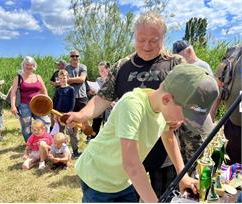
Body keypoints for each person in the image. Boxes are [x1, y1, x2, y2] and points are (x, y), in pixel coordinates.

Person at [67, 11, 185, 196]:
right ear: (134, 36)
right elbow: (102, 98)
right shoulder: (122, 65)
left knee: (164, 197)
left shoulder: (175, 64)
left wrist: (179, 115)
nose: (146, 46)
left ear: (163, 38)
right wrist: (81, 115)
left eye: (154, 40)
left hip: (163, 151)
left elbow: (186, 98)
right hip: (129, 150)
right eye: (141, 39)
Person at [75, 64, 219, 202]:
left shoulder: (163, 108)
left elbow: (168, 137)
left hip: (123, 181)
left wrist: (182, 175)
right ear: (166, 99)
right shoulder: (132, 105)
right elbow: (132, 165)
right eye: (185, 115)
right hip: (98, 179)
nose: (184, 122)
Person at [211, 44, 242, 164]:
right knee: (232, 169)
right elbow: (219, 85)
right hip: (233, 125)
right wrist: (212, 113)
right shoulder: (233, 53)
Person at [10, 56, 51, 142]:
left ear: (34, 66)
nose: (29, 67)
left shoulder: (38, 77)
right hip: (24, 105)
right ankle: (30, 145)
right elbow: (13, 92)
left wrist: (47, 103)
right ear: (23, 65)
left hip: (38, 105)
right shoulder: (18, 78)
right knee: (26, 127)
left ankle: (44, 141)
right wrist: (13, 106)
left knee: (45, 122)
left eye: (31, 65)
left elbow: (44, 90)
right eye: (27, 64)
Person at [65, 50, 88, 158]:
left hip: (82, 97)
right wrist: (73, 80)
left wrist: (70, 80)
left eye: (76, 56)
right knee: (71, 123)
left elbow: (82, 79)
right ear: (70, 57)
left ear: (79, 57)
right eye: (72, 56)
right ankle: (75, 150)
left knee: (85, 121)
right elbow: (64, 81)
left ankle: (91, 144)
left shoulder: (83, 66)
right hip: (70, 98)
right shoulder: (66, 68)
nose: (74, 58)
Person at [87, 61, 110, 141]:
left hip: (110, 106)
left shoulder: (113, 79)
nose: (101, 72)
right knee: (96, 123)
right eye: (100, 71)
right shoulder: (98, 80)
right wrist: (92, 92)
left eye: (103, 70)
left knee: (108, 124)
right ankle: (93, 140)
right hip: (99, 105)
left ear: (108, 69)